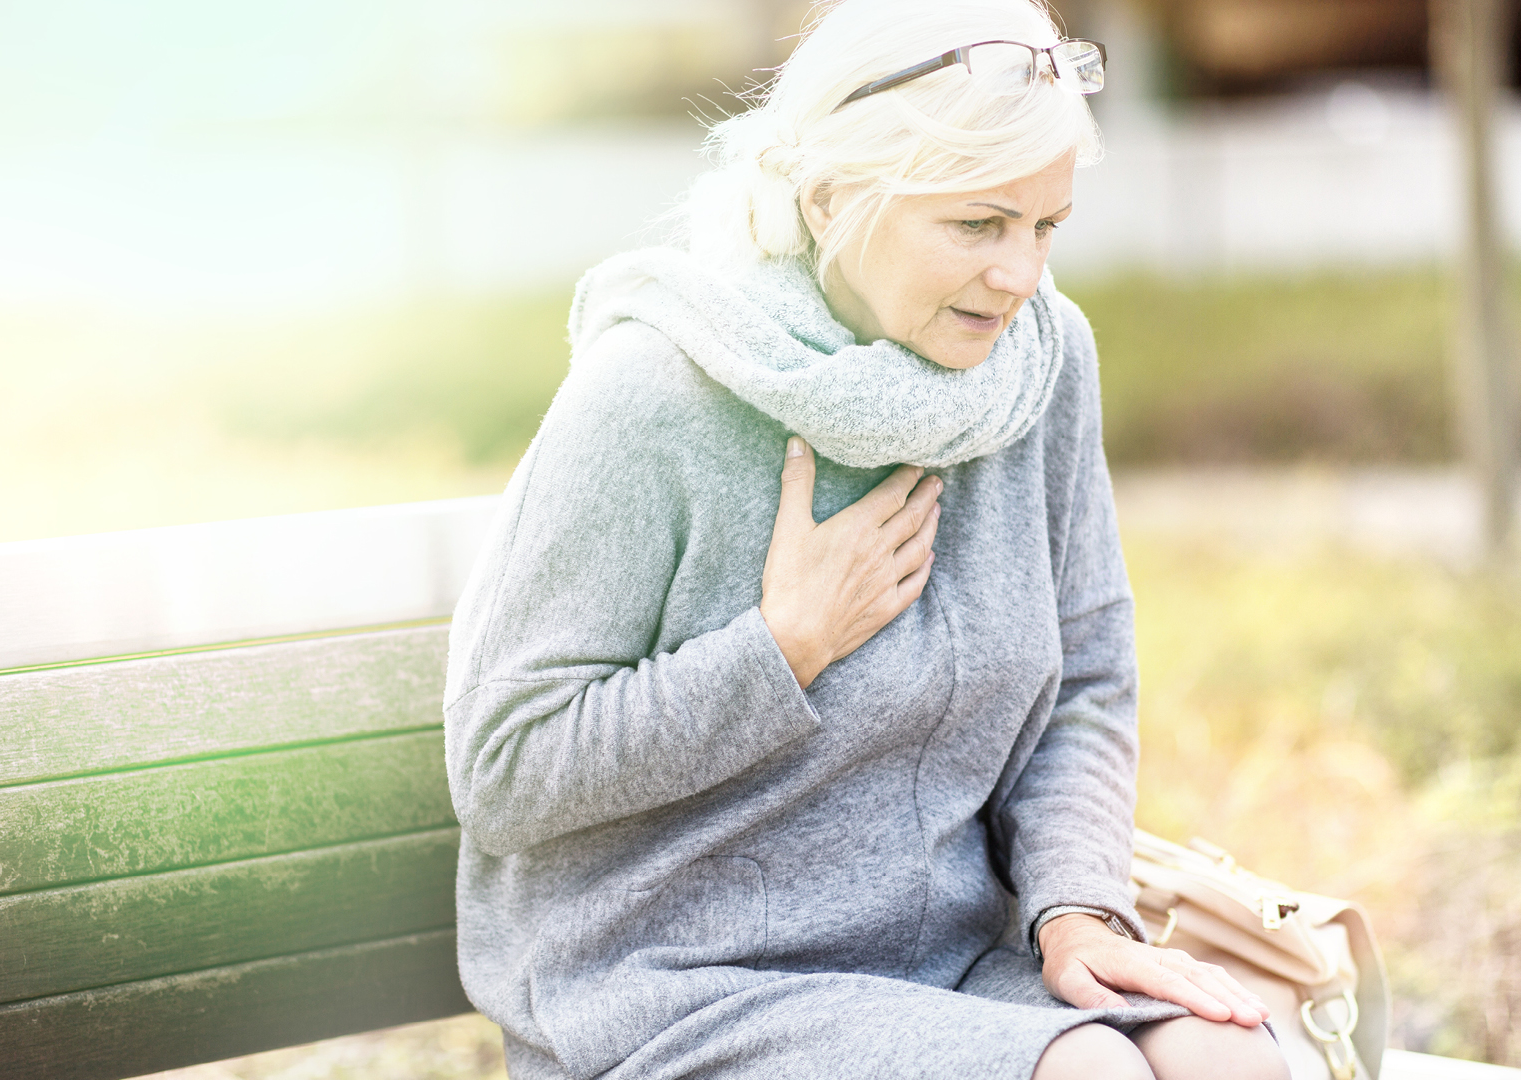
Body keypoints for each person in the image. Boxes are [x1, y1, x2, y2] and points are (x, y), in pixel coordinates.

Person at [442, 2, 1291, 1077]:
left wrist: (1077, 908)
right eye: (978, 225)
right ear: (835, 197)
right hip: (685, 982)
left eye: (1046, 227)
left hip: (946, 961)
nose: (1021, 277)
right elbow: (505, 767)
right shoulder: (655, 392)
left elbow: (1084, 678)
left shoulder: (1041, 363)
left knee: (1240, 1063)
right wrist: (779, 648)